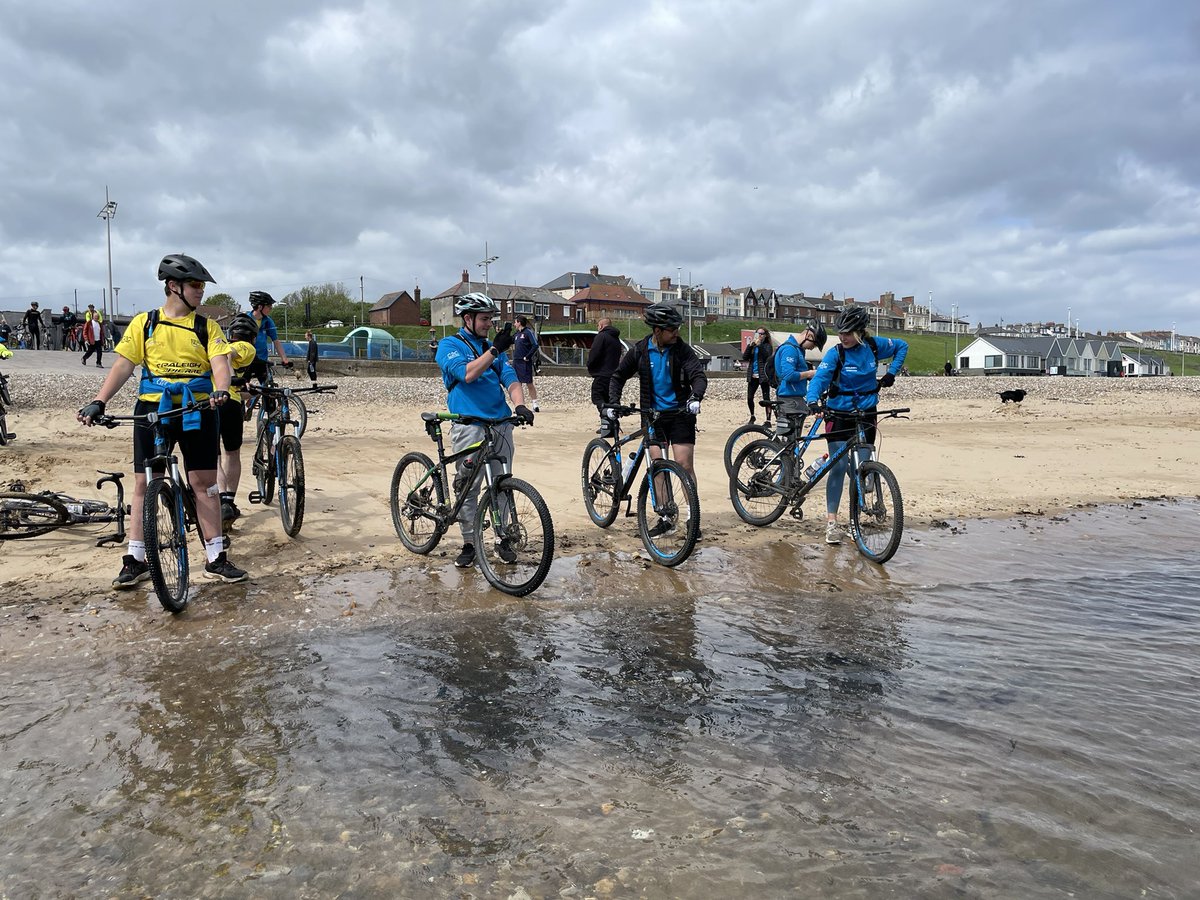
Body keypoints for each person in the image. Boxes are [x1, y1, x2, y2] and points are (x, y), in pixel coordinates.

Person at [77, 253, 248, 587]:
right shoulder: (145, 322)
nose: (201, 292)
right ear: (173, 286)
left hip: (197, 409)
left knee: (204, 484)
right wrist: (99, 401)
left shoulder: (207, 326)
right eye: (196, 285)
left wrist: (222, 390)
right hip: (152, 409)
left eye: (202, 285)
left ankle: (216, 557)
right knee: (143, 483)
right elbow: (124, 366)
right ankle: (135, 559)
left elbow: (220, 364)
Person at [435, 292, 534, 569]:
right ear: (468, 318)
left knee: (501, 483)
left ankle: (502, 539)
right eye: (484, 319)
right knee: (469, 486)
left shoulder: (494, 349)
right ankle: (469, 542)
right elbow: (466, 374)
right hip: (469, 424)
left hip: (500, 423)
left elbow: (510, 378)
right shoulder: (449, 345)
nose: (489, 324)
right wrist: (494, 351)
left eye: (491, 318)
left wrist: (520, 405)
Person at [805, 306, 908, 546]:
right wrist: (812, 400)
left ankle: (855, 519)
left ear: (860, 332)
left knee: (862, 469)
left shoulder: (873, 346)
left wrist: (892, 372)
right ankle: (831, 523)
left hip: (866, 412)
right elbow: (820, 379)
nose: (843, 337)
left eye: (848, 333)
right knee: (839, 466)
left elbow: (902, 346)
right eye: (840, 332)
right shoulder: (836, 353)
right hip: (838, 413)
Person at [607, 303, 707, 536]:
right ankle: (665, 517)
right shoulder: (640, 350)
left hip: (681, 415)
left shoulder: (682, 349)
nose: (676, 333)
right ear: (658, 330)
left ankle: (694, 519)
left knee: (684, 464)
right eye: (672, 329)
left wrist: (696, 397)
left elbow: (698, 375)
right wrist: (613, 402)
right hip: (653, 417)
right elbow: (618, 376)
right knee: (657, 466)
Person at [217, 312, 261, 525]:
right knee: (232, 453)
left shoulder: (216, 347)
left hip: (208, 401)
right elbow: (228, 354)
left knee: (213, 455)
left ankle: (219, 500)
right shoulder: (246, 348)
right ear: (252, 336)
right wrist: (230, 378)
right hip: (229, 402)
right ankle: (227, 501)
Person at [773, 320, 827, 434]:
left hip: (795, 398)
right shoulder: (790, 349)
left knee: (794, 442)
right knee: (790, 442)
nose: (813, 348)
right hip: (789, 400)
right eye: (815, 344)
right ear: (809, 335)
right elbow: (788, 375)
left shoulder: (798, 350)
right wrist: (810, 373)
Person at [245, 291, 292, 384]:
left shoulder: (268, 321)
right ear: (260, 307)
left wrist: (284, 359)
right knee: (242, 389)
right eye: (269, 306)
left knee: (268, 387)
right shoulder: (245, 319)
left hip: (262, 360)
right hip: (246, 361)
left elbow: (276, 340)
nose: (271, 308)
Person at [586, 316, 622, 414]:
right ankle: (612, 424)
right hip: (614, 375)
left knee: (597, 397)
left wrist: (590, 367)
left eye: (598, 326)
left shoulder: (601, 336)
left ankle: (606, 420)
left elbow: (594, 353)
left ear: (601, 326)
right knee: (609, 399)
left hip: (602, 374)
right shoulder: (616, 339)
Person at [741, 327, 776, 425]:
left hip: (763, 375)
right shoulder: (753, 346)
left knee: (766, 398)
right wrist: (750, 346)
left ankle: (768, 420)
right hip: (752, 375)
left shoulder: (767, 346)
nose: (759, 335)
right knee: (749, 397)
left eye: (761, 333)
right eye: (758, 333)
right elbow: (744, 357)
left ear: (765, 335)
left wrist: (760, 345)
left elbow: (767, 356)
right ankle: (752, 416)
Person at [512, 315, 540, 412]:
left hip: (525, 362)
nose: (514, 324)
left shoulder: (528, 332)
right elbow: (508, 341)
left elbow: (535, 345)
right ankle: (520, 405)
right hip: (516, 361)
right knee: (517, 384)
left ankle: (535, 404)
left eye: (515, 322)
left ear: (519, 322)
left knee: (529, 383)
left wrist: (527, 356)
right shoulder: (516, 334)